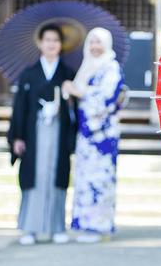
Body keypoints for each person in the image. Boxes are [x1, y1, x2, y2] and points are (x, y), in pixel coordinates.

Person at [7, 22, 77, 246]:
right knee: (33, 178)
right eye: (47, 40)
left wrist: (69, 97)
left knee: (56, 177)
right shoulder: (29, 74)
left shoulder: (68, 74)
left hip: (58, 130)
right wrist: (17, 136)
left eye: (55, 41)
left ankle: (57, 226)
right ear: (40, 43)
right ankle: (30, 227)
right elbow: (19, 107)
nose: (51, 44)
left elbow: (76, 108)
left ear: (60, 45)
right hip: (34, 132)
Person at [63, 27, 124, 242]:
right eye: (92, 42)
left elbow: (106, 98)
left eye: (99, 43)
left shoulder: (111, 67)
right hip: (86, 134)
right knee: (84, 178)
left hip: (102, 135)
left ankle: (100, 225)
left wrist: (81, 92)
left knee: (100, 179)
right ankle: (86, 224)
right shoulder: (87, 66)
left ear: (107, 45)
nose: (95, 47)